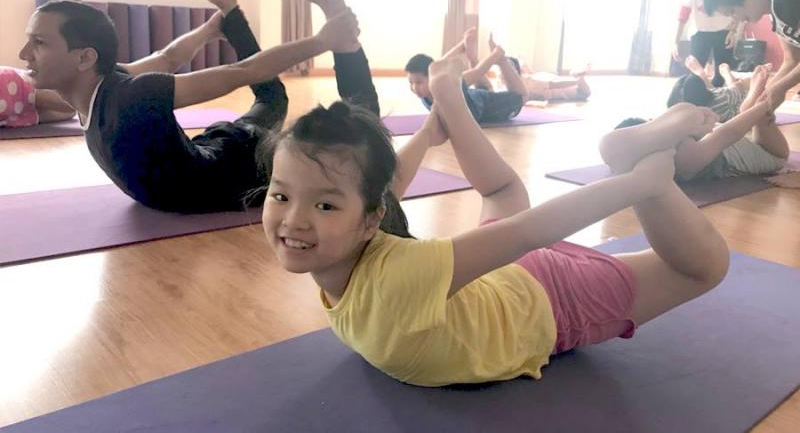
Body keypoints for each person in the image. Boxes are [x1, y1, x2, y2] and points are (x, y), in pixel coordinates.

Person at [258, 41, 730, 386]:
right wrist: (428, 134)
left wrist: (636, 184)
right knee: (502, 190)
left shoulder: (398, 276)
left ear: (368, 220)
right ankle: (450, 97)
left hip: (550, 302)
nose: (294, 219)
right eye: (280, 196)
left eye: (323, 204)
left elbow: (527, 232)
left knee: (705, 268)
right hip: (493, 283)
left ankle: (632, 162)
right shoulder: (355, 234)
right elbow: (379, 189)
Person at [17, 0, 369, 213]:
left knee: (285, 102)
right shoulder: (105, 84)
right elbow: (168, 57)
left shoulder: (131, 98)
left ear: (85, 58)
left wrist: (322, 41)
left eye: (39, 43)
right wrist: (210, 29)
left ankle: (240, 5)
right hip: (212, 156)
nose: (23, 54)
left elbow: (242, 71)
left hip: (235, 173)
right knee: (273, 98)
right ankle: (229, 5)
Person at [2, 12, 226, 128]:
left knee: (163, 61)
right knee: (162, 60)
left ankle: (209, 29)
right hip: (15, 99)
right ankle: (209, 30)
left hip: (12, 88)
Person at [626, 64, 792, 182]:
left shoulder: (671, 147)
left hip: (735, 142)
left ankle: (749, 109)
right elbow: (728, 133)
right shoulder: (685, 158)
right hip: (770, 155)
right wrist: (764, 106)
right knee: (768, 134)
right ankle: (750, 109)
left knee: (749, 115)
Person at [704, 0, 800, 102]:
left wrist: (779, 88)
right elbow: (792, 60)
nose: (736, 18)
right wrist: (765, 95)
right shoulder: (775, 11)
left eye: (732, 11)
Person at [405, 31, 529, 123]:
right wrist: (461, 45)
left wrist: (496, 54)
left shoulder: (449, 84)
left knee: (522, 96)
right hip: (474, 97)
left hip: (486, 107)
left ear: (432, 77)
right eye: (411, 82)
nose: (415, 87)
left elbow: (478, 71)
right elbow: (439, 64)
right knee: (485, 89)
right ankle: (473, 58)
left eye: (419, 82)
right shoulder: (426, 92)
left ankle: (502, 60)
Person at [672, 0, 742, 88]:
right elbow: (682, 16)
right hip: (700, 34)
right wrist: (675, 41)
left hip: (724, 33)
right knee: (695, 73)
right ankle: (693, 97)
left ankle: (715, 97)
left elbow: (739, 12)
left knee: (721, 74)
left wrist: (733, 31)